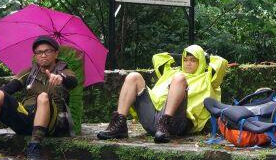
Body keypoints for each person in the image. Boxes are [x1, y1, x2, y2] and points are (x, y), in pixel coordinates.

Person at [0, 36, 78, 160]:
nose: (43, 55)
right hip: (27, 119)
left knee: (43, 96)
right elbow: (8, 89)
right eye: (39, 52)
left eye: (48, 51)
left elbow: (72, 81)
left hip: (51, 123)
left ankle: (34, 147)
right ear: (35, 55)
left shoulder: (64, 71)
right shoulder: (29, 73)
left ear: (56, 53)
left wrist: (61, 78)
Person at [96, 45, 225, 142]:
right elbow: (158, 57)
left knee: (179, 78)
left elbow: (221, 64)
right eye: (185, 59)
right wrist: (174, 54)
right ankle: (120, 124)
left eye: (193, 60)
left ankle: (164, 124)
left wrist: (206, 56)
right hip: (154, 120)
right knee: (133, 76)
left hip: (177, 123)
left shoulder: (208, 78)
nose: (188, 63)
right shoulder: (172, 72)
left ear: (201, 61)